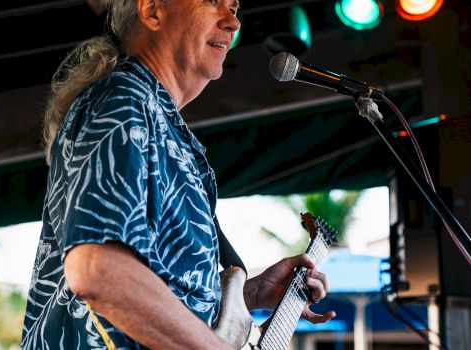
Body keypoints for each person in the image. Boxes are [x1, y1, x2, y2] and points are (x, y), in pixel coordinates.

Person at [21, 0, 335, 349]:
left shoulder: (160, 121)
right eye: (214, 2)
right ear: (152, 10)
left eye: (234, 6)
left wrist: (247, 293)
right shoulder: (124, 101)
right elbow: (99, 270)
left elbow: (163, 284)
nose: (233, 21)